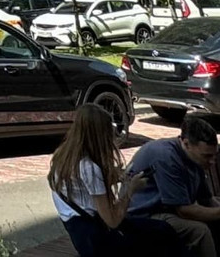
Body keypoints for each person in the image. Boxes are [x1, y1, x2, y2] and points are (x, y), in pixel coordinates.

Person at [47, 106, 182, 255]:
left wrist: (113, 178)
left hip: (81, 233)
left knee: (160, 230)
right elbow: (112, 220)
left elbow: (81, 191)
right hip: (97, 239)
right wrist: (131, 189)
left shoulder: (63, 156)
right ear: (100, 135)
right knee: (162, 234)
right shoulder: (89, 168)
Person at [125, 114, 220, 253]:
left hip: (169, 210)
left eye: (214, 155)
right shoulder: (166, 157)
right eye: (207, 156)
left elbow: (207, 199)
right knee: (199, 231)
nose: (212, 162)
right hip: (144, 214)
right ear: (186, 144)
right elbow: (184, 211)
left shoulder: (194, 157)